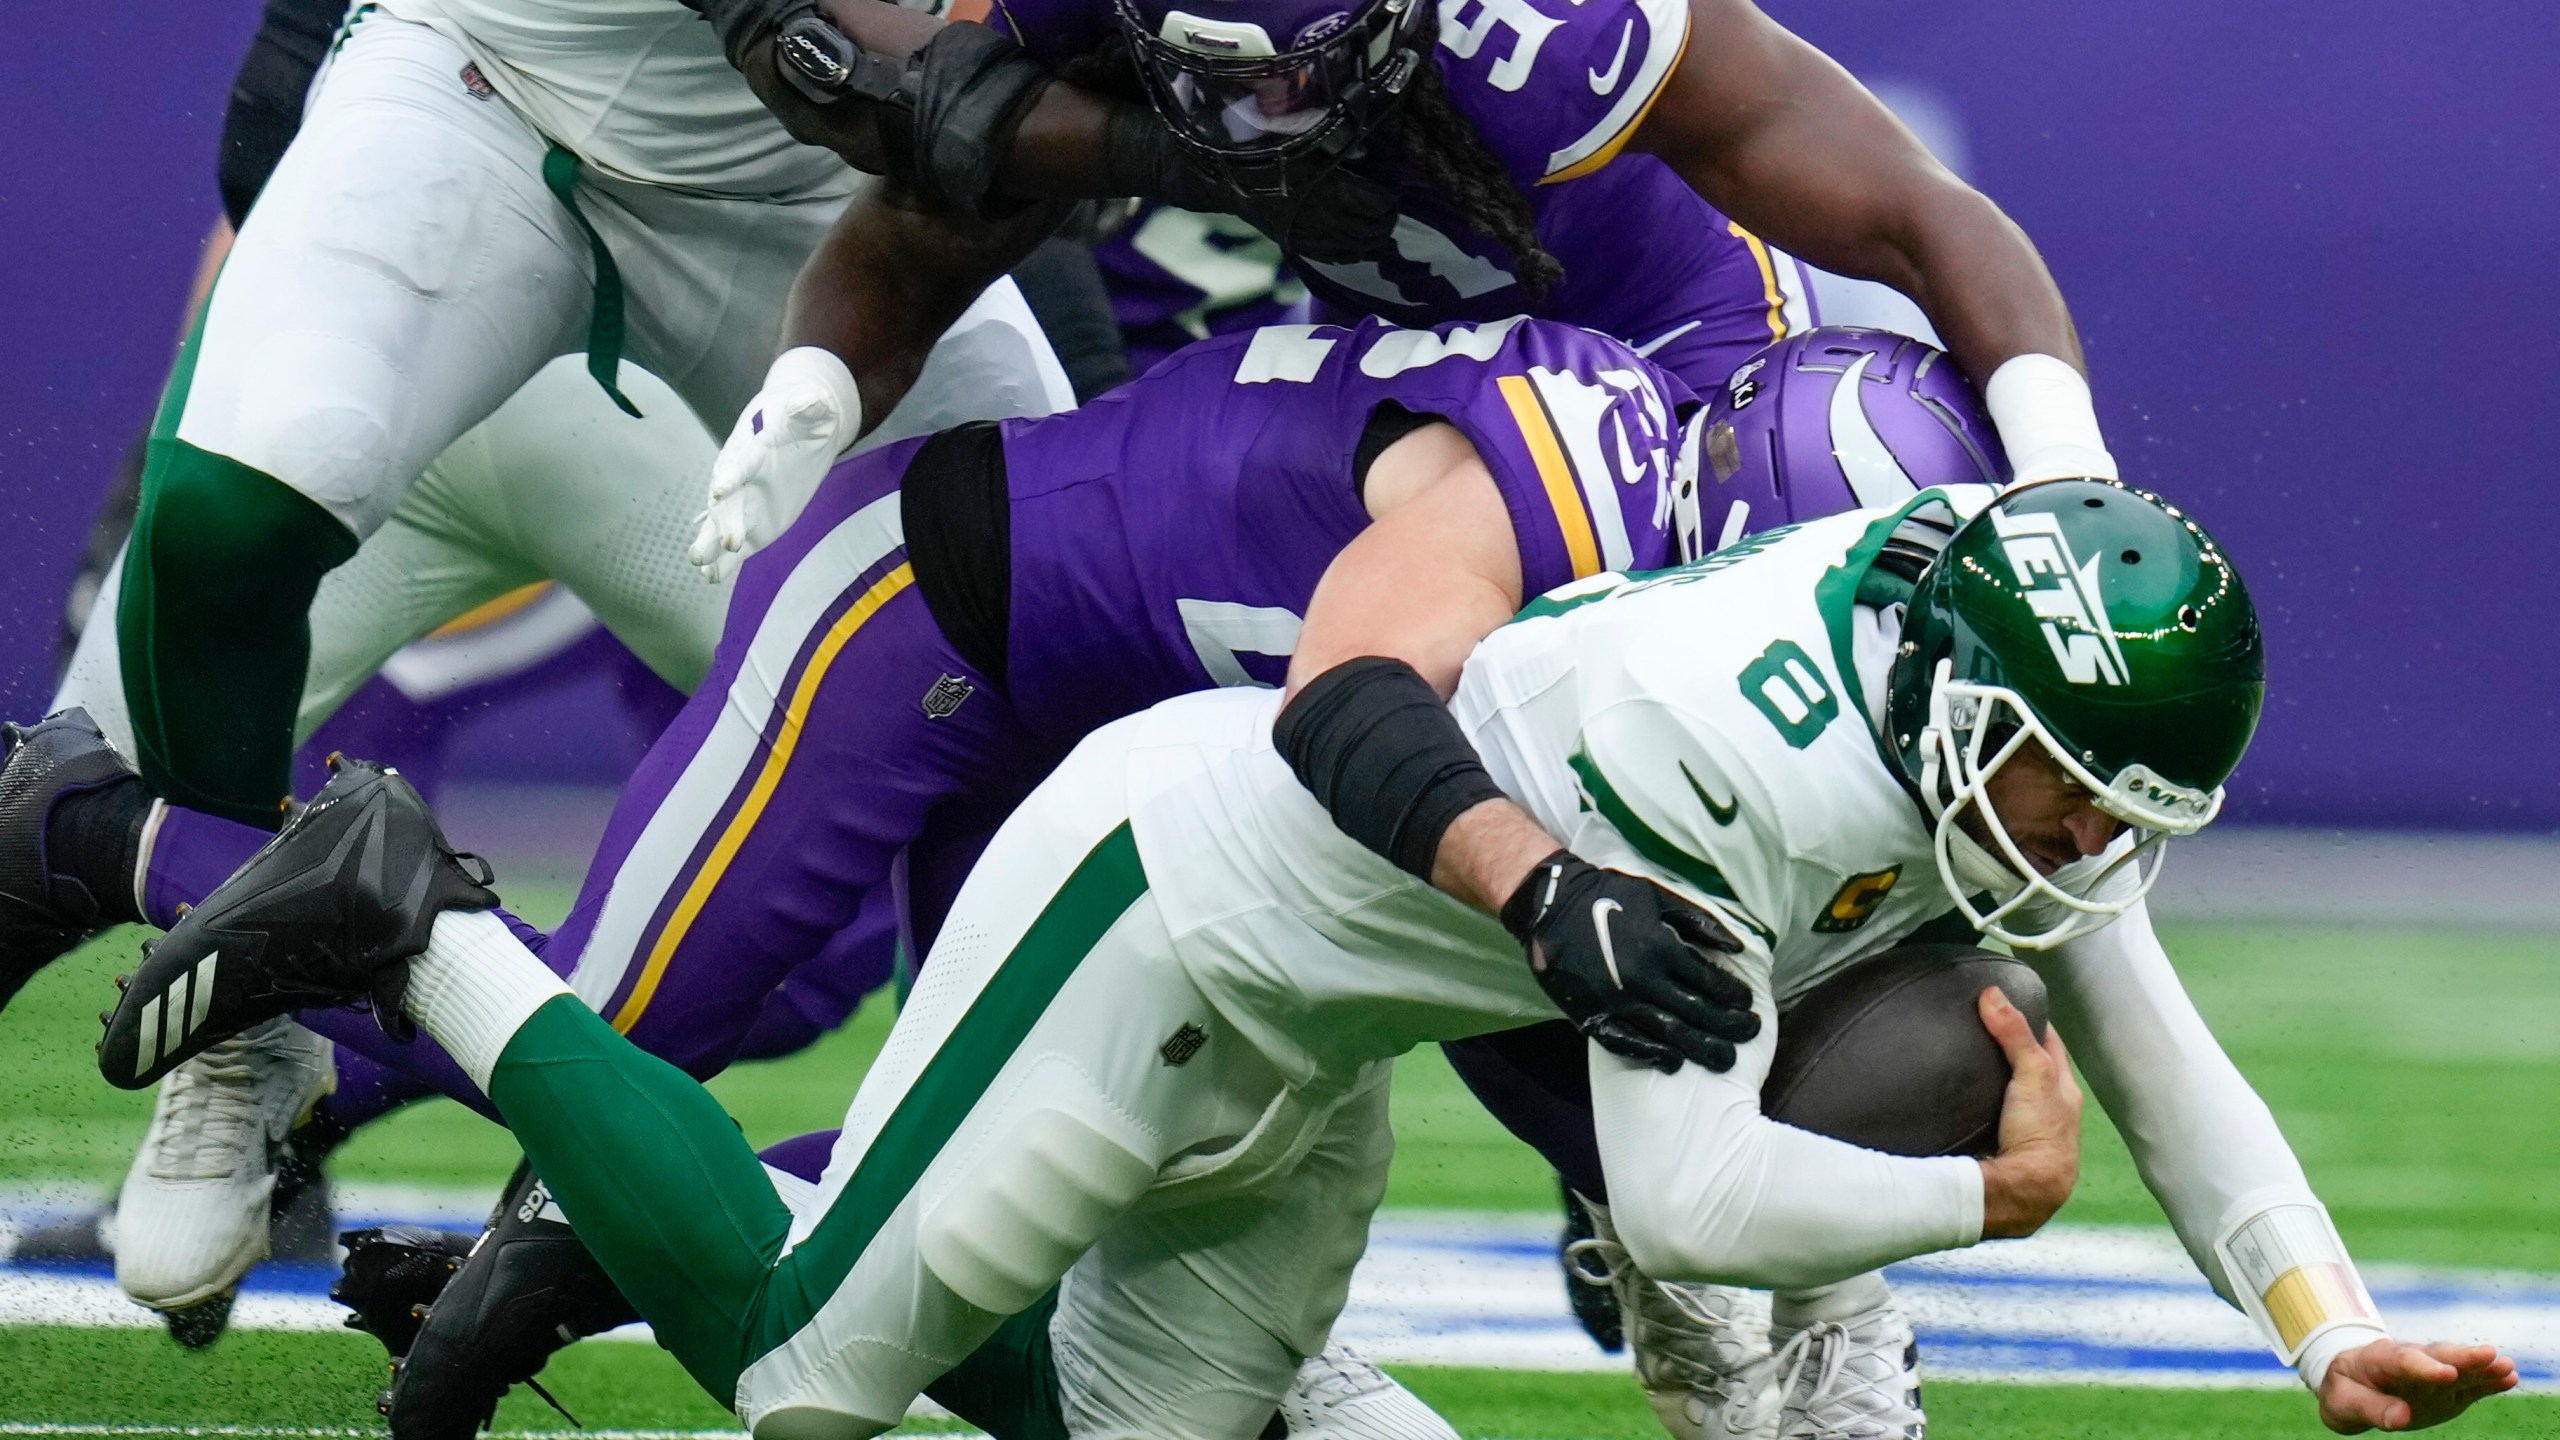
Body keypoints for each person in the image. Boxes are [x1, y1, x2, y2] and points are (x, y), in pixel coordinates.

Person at [100, 479, 2520, 1439]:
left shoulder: (1972, 717)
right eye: (2064, 787)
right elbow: (1682, 1213)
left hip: (1332, 1032)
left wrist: (2315, 1324)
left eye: (2119, 811)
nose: (2078, 848)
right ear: (1958, 703)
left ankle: (770, 1228)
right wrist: (1968, 1206)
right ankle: (420, 925)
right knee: (807, 1383)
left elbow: (2153, 1028)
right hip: (1163, 909)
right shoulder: (1745, 758)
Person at [15, 312, 1744, 1437]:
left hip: (1124, 754)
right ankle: (91, 831)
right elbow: (1402, 779)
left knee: (987, 1117)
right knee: (599, 1016)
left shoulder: (1634, 533)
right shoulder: (1573, 531)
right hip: (936, 615)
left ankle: (552, 1234)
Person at [687, 0, 2111, 594]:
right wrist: (816, 378)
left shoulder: (1545, 34)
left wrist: (2065, 465)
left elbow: (1919, 215)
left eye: (1299, 75)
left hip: (1682, 361)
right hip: (1436, 379)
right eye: (1224, 79)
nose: (1264, 119)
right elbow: (936, 198)